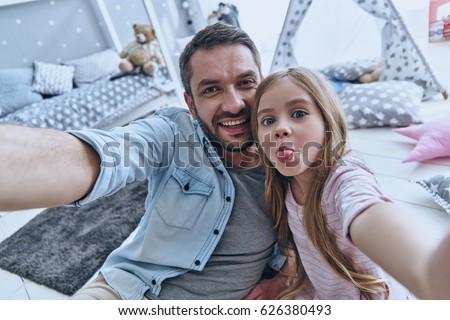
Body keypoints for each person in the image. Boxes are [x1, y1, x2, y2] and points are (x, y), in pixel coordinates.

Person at [0, 22, 286, 299]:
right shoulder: (173, 133)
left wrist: (283, 279)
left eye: (246, 83)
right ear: (191, 104)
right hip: (128, 293)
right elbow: (109, 153)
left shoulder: (291, 158)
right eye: (211, 89)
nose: (234, 104)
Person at [250, 66, 450, 300]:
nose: (280, 129)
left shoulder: (343, 178)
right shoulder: (284, 185)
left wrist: (425, 272)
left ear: (327, 121)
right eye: (268, 120)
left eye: (298, 114)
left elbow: (364, 207)